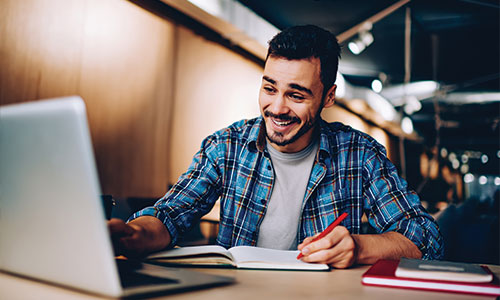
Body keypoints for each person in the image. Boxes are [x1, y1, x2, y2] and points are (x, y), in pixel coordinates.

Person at [108, 25, 444, 269]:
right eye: (270, 89)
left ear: (328, 96)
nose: (278, 108)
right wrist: (132, 234)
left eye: (297, 95)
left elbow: (426, 239)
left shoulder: (360, 154)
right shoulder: (226, 145)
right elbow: (170, 215)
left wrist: (357, 247)